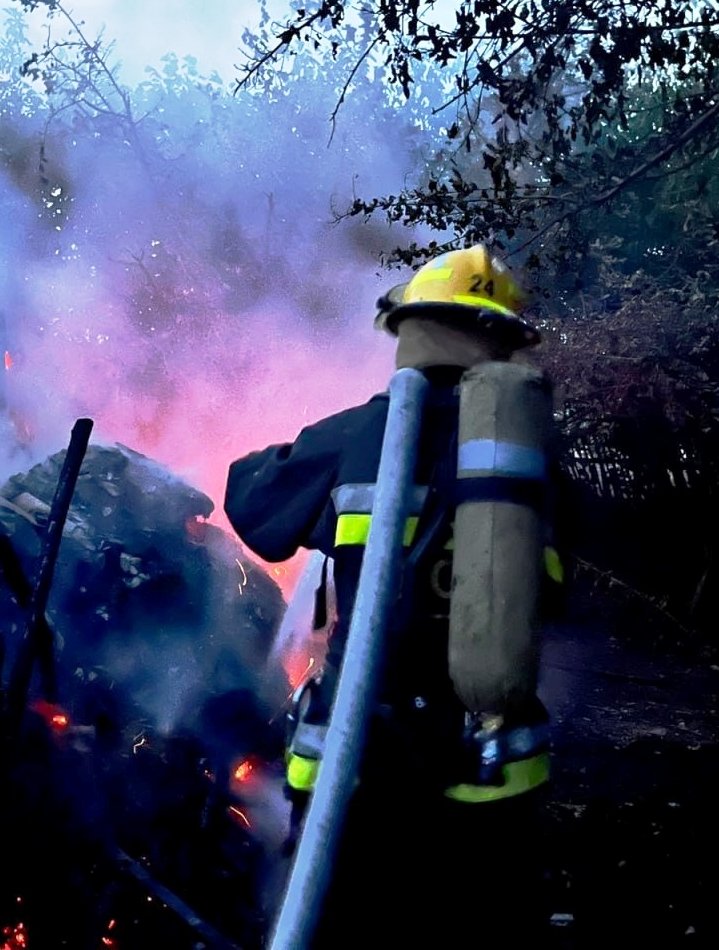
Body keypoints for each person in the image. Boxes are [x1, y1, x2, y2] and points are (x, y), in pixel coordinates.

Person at [223, 243, 565, 947]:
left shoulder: (356, 434)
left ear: (409, 330)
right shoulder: (528, 463)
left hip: (358, 765)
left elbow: (254, 505)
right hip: (491, 772)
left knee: (346, 926)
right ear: (503, 344)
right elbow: (557, 602)